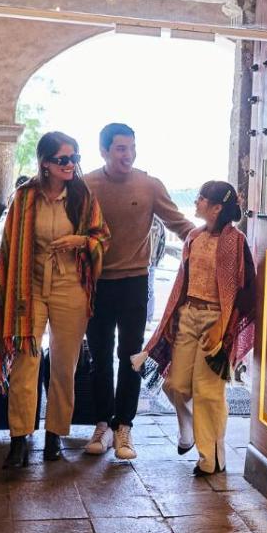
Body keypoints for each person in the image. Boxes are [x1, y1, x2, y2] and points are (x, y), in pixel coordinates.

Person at [0, 132, 110, 468]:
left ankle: (55, 433)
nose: (71, 165)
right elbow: (9, 244)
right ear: (45, 163)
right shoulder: (25, 197)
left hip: (71, 287)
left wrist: (80, 241)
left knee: (63, 365)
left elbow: (102, 237)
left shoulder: (83, 196)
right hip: (29, 288)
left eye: (75, 158)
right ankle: (19, 438)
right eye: (63, 159)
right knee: (25, 362)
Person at [82, 123, 195, 461]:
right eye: (120, 148)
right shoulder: (87, 185)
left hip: (135, 282)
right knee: (99, 356)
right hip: (96, 283)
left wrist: (215, 240)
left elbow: (180, 224)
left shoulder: (149, 185)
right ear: (104, 151)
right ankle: (102, 424)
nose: (128, 154)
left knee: (131, 357)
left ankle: (124, 427)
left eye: (131, 147)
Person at [132, 181, 256, 477]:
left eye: (202, 198)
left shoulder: (236, 241)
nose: (197, 201)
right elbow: (181, 284)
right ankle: (187, 425)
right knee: (175, 384)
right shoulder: (194, 237)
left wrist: (223, 327)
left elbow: (245, 291)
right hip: (187, 315)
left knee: (208, 391)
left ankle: (212, 458)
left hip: (217, 319)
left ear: (217, 208)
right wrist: (172, 320)